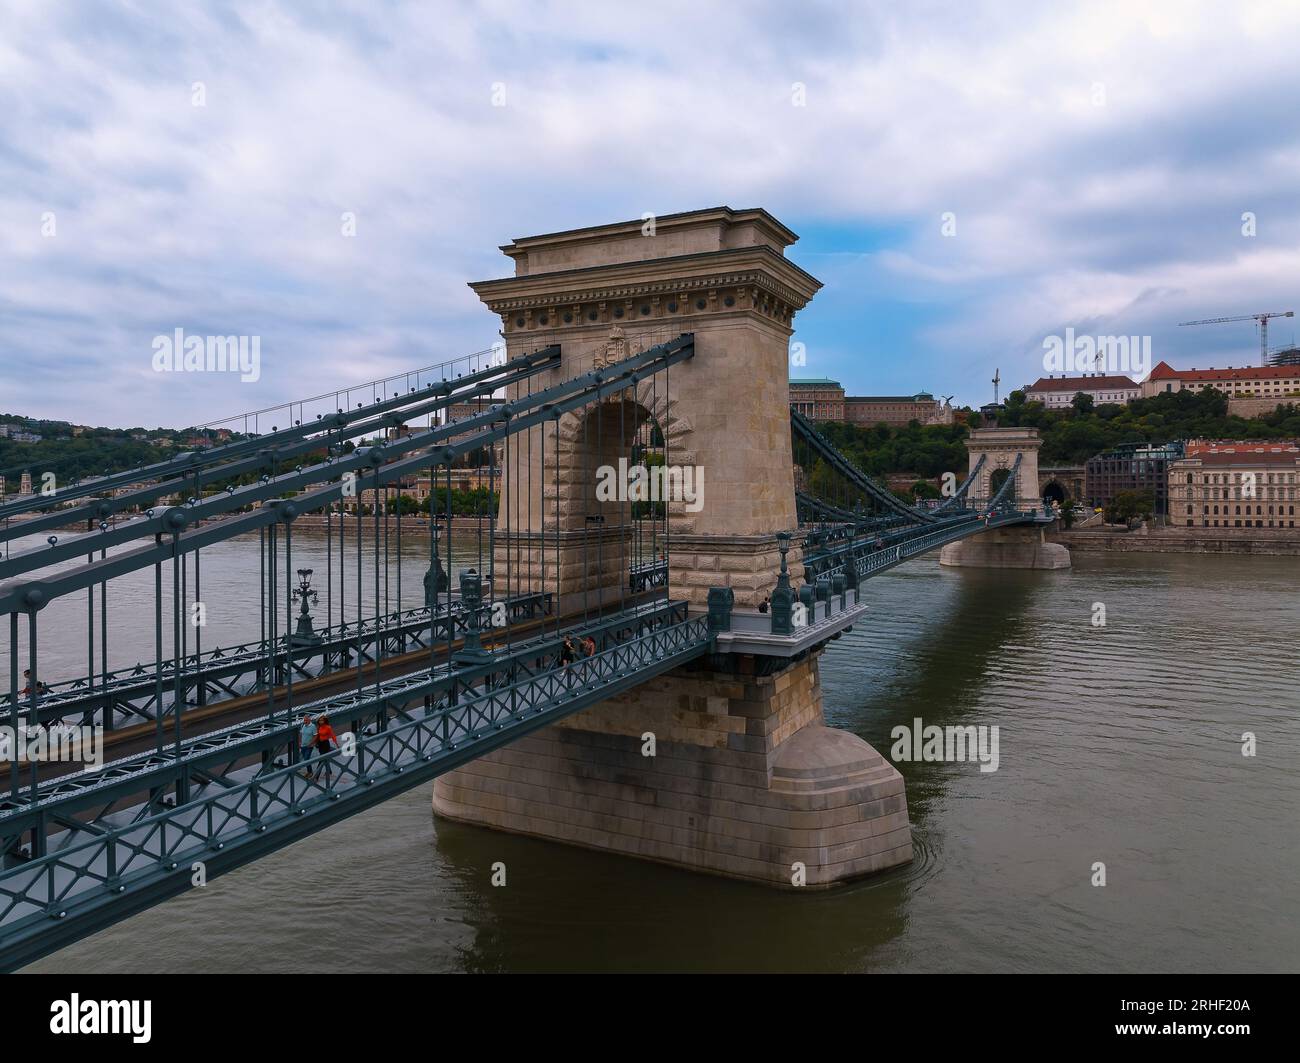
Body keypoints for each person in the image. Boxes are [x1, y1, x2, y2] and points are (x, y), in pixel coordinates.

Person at [312, 716, 340, 783]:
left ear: (325, 721)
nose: (320, 721)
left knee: (321, 760)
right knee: (325, 759)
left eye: (322, 720)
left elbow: (333, 735)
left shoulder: (328, 727)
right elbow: (317, 736)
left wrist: (336, 744)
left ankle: (316, 777)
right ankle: (329, 771)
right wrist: (314, 743)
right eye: (319, 720)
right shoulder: (319, 727)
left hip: (325, 744)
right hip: (320, 744)